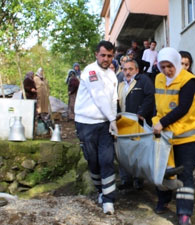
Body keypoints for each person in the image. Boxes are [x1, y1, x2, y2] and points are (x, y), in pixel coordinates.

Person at [152, 47, 195, 225]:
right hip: (164, 134)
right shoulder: (158, 78)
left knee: (184, 174)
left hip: (186, 136)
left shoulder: (189, 81)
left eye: (170, 66)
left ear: (176, 63)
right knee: (162, 171)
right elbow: (156, 102)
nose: (167, 70)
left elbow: (183, 108)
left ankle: (184, 213)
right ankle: (163, 200)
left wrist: (162, 123)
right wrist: (153, 120)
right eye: (163, 67)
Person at [74, 40, 118, 215]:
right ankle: (101, 191)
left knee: (107, 160)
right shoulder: (90, 71)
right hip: (86, 123)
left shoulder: (113, 75)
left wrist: (113, 120)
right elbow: (98, 96)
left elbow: (113, 100)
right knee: (93, 161)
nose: (106, 59)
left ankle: (109, 200)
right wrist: (112, 119)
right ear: (96, 54)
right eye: (103, 55)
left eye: (109, 56)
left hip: (105, 123)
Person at [117, 59, 155, 190]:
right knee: (123, 151)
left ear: (137, 70)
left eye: (130, 69)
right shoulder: (120, 84)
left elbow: (150, 97)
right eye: (125, 69)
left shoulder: (143, 80)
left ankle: (138, 180)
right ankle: (126, 181)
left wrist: (141, 113)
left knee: (137, 151)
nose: (127, 72)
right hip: (123, 123)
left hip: (137, 122)